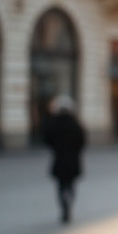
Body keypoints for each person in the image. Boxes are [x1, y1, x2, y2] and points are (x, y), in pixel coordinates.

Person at [42, 96, 86, 224]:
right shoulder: (76, 124)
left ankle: (64, 209)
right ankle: (69, 203)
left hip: (59, 159)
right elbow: (82, 141)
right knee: (71, 184)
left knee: (61, 186)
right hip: (73, 160)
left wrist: (57, 148)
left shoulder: (54, 123)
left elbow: (47, 139)